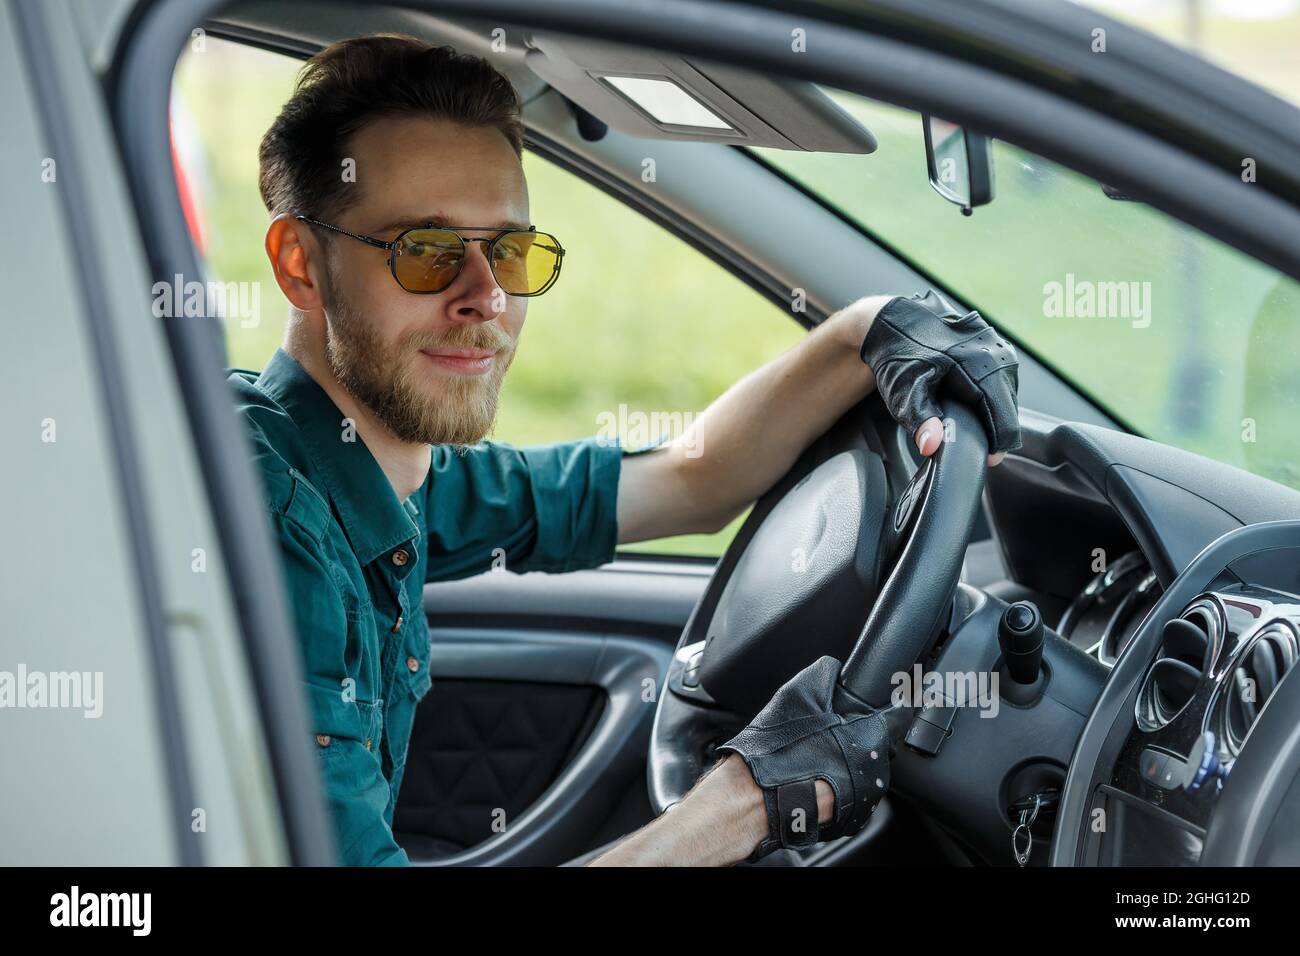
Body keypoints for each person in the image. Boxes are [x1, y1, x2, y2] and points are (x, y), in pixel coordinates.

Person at [230, 33, 1020, 866]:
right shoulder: (274, 526)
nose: (487, 297)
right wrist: (747, 802)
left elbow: (684, 480)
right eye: (425, 253)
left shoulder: (379, 469)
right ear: (301, 265)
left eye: (508, 251)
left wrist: (869, 329)